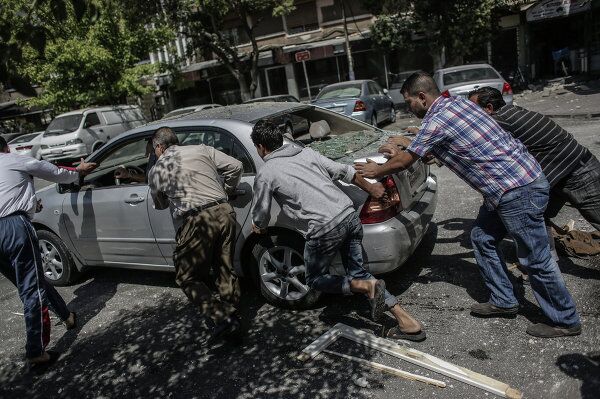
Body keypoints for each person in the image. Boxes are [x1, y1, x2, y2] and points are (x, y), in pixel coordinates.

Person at [355, 72, 581, 338]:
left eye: (409, 102)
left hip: (515, 190)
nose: (409, 108)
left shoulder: (436, 120)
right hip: (515, 183)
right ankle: (504, 300)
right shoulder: (458, 104)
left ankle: (565, 320)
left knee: (535, 257)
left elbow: (407, 160)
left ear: (422, 97)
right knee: (482, 238)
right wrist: (407, 149)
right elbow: (445, 148)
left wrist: (376, 170)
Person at [250, 120, 426, 341]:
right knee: (360, 273)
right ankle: (407, 322)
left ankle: (364, 287)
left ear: (261, 148)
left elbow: (261, 212)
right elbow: (345, 171)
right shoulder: (307, 154)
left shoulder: (267, 172)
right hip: (349, 216)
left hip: (324, 229)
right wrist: (371, 187)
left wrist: (259, 226)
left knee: (314, 280)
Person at [0, 136, 97, 368]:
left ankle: (66, 316)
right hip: (14, 228)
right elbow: (55, 172)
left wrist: (30, 205)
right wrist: (78, 171)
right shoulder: (15, 160)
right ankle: (36, 350)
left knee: (31, 280)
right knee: (31, 290)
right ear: (5, 147)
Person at [147, 127, 244, 342]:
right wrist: (226, 190)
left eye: (154, 150)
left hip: (198, 219)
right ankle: (233, 314)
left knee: (186, 276)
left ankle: (223, 318)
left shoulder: (158, 169)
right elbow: (236, 166)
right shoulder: (201, 149)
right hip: (225, 211)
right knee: (224, 266)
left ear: (159, 147)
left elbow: (160, 204)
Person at [468, 87, 600, 233]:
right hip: (557, 175)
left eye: (473, 109)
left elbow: (470, 139)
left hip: (578, 173)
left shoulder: (498, 119)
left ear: (489, 108)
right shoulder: (512, 111)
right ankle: (547, 255)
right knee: (533, 217)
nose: (471, 115)